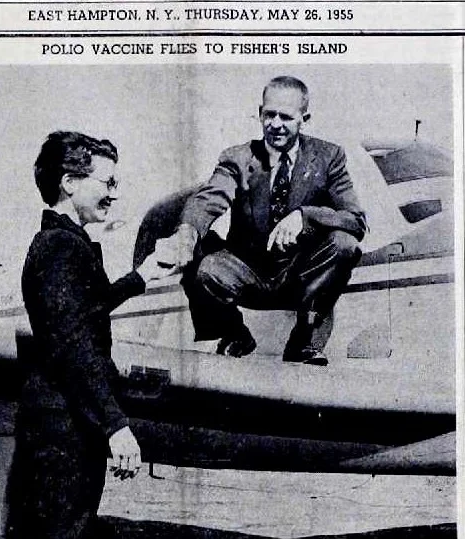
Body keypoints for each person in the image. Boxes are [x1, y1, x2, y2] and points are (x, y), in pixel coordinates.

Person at [4, 131, 168, 539]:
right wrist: (116, 424)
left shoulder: (67, 244)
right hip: (63, 425)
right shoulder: (58, 249)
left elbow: (86, 311)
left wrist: (139, 278)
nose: (113, 193)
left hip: (61, 421)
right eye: (106, 181)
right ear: (69, 182)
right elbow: (74, 347)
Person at [154, 75, 367, 365]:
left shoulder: (328, 157)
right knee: (203, 263)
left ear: (304, 119)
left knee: (344, 244)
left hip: (298, 276)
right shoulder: (238, 158)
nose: (275, 124)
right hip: (247, 271)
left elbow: (355, 220)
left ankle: (304, 342)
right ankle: (234, 334)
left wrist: (305, 216)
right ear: (260, 113)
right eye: (269, 114)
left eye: (286, 117)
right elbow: (211, 197)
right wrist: (187, 232)